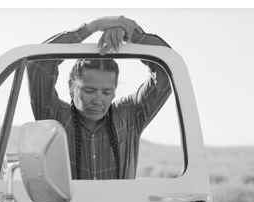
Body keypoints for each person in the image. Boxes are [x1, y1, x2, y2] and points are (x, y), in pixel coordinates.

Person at [27, 16, 172, 180]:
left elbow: (166, 73)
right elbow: (39, 65)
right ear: (71, 86)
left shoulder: (129, 116)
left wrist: (132, 34)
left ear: (115, 91)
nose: (98, 100)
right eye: (89, 90)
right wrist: (93, 27)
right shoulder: (54, 117)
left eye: (106, 92)